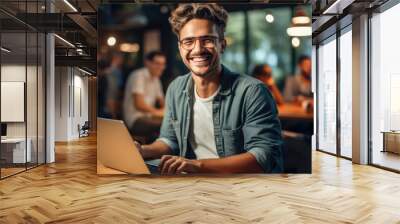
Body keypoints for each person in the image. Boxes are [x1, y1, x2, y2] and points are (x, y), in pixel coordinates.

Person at [136, 3, 283, 174]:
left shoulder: (253, 91)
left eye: (207, 40)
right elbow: (169, 140)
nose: (197, 49)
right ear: (180, 47)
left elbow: (263, 157)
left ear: (222, 44)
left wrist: (197, 165)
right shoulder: (176, 88)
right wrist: (141, 151)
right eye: (188, 41)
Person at [123, 51, 166, 142]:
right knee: (166, 124)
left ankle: (159, 150)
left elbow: (162, 102)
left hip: (148, 117)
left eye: (163, 64)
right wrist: (159, 112)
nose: (161, 67)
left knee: (172, 123)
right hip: (135, 119)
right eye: (157, 64)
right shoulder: (138, 75)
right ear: (147, 63)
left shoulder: (156, 79)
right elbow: (139, 104)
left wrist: (169, 110)